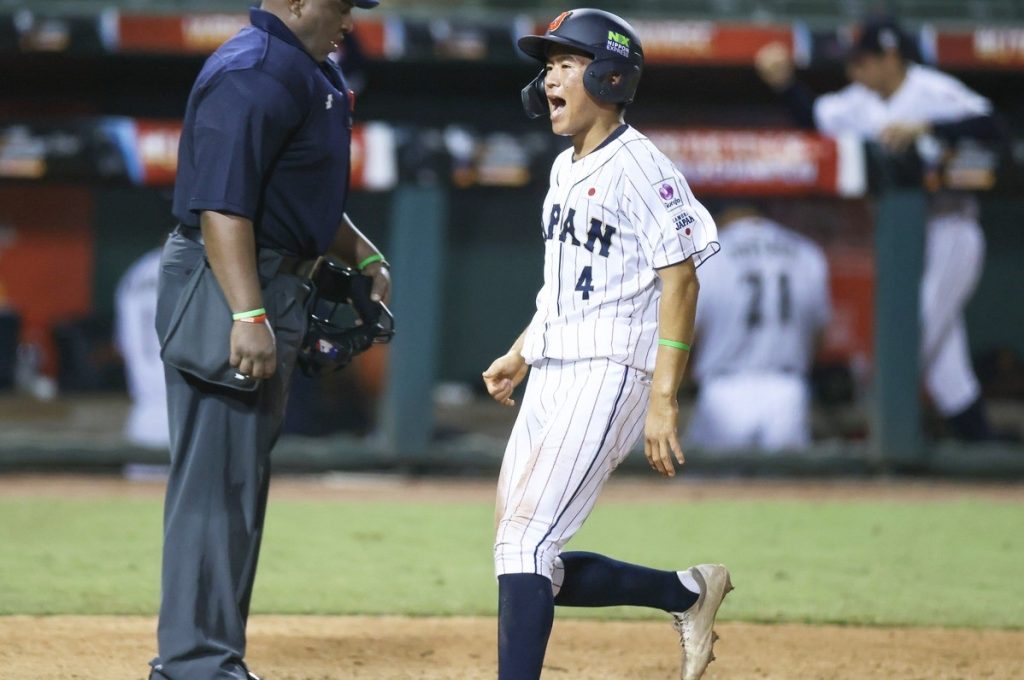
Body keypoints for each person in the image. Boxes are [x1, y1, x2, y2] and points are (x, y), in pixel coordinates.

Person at [482, 10, 730, 680]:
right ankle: (686, 592)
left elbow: (681, 282)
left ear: (607, 75)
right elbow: (562, 289)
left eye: (565, 63)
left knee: (527, 544)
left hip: (611, 369)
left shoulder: (643, 168)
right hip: (555, 364)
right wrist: (521, 351)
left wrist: (663, 399)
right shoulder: (565, 167)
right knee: (524, 555)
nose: (549, 78)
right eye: (549, 66)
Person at [149, 1, 389, 679]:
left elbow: (295, 189)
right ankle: (195, 665)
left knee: (238, 486)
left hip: (268, 281)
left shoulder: (304, 70)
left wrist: (361, 251)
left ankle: (207, 659)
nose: (349, 17)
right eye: (340, 4)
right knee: (215, 487)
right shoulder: (253, 70)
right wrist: (247, 314)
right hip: (229, 284)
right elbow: (224, 204)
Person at [755, 16, 1002, 441]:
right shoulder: (858, 101)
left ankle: (877, 442)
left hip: (950, 228)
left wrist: (929, 126)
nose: (855, 70)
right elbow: (814, 116)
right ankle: (984, 448)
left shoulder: (931, 89)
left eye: (864, 61)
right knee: (947, 372)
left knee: (910, 337)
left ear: (891, 57)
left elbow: (993, 126)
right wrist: (784, 83)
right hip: (900, 237)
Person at [685, 207, 831, 451]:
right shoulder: (805, 251)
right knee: (786, 487)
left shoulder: (708, 253)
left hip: (723, 392)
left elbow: (686, 335)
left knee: (709, 485)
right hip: (788, 391)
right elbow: (819, 336)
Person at [115, 247, 170, 449]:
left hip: (143, 417)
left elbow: (122, 345)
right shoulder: (200, 265)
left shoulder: (138, 270)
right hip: (189, 415)